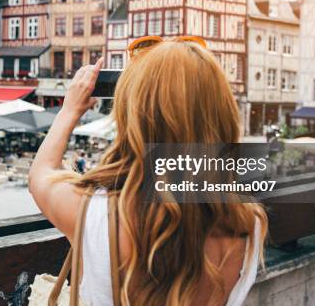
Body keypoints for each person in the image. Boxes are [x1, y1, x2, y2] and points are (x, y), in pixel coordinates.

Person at [29, 41, 268, 306]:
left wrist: (70, 110)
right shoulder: (248, 222)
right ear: (222, 111)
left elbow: (41, 173)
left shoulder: (96, 213)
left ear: (134, 115)